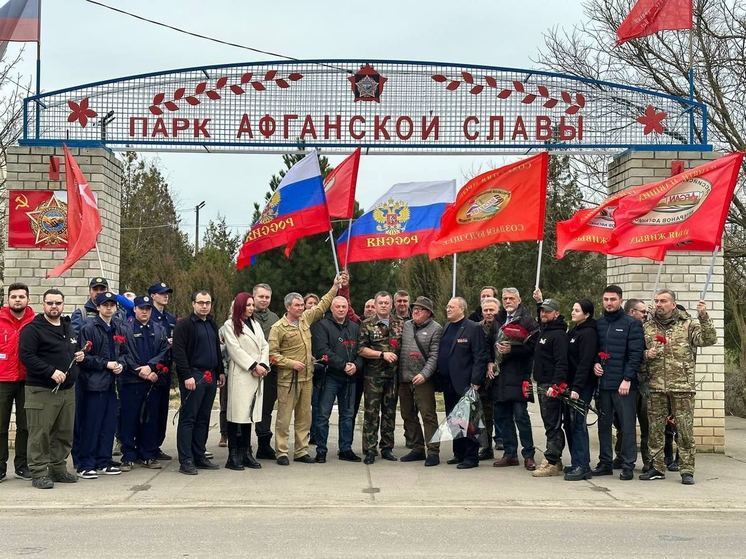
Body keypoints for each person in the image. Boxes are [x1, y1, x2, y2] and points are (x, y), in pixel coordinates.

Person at [640, 290, 716, 485]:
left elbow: (708, 340)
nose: (659, 304)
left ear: (673, 304)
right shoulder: (647, 326)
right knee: (655, 429)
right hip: (656, 385)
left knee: (684, 430)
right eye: (656, 301)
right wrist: (646, 355)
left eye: (663, 301)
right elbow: (637, 354)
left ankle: (687, 469)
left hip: (682, 385)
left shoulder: (688, 324)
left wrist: (704, 316)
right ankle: (657, 467)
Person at [268, 274, 342, 465]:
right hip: (287, 380)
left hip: (306, 378)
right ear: (288, 307)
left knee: (304, 417)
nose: (302, 308)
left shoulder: (305, 320)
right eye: (297, 306)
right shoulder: (278, 328)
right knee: (284, 419)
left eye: (302, 305)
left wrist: (335, 287)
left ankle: (301, 451)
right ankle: (282, 452)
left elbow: (322, 305)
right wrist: (291, 363)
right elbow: (271, 355)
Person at [19, 289, 84, 489]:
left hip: (67, 390)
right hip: (41, 390)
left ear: (63, 304)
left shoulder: (69, 328)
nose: (54, 306)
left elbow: (71, 350)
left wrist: (79, 355)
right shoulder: (33, 329)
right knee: (40, 434)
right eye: (50, 303)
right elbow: (26, 356)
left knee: (64, 432)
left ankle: (58, 469)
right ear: (43, 304)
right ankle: (39, 472)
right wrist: (50, 371)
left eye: (57, 303)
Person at [593, 285, 644, 481]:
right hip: (603, 385)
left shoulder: (632, 324)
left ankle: (627, 464)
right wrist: (595, 364)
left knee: (627, 426)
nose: (609, 303)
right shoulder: (599, 324)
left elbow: (635, 354)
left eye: (613, 299)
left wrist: (627, 379)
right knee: (603, 425)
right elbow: (594, 350)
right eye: (606, 299)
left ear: (620, 301)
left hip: (624, 386)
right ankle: (605, 462)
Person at [172, 290, 226, 475]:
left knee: (203, 419)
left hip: (210, 376)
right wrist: (187, 375)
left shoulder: (211, 323)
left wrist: (220, 371)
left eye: (208, 302)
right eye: (201, 302)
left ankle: (199, 455)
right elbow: (178, 353)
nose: (204, 306)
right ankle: (186, 460)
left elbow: (217, 350)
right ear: (193, 303)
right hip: (193, 376)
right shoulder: (184, 325)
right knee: (189, 418)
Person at [76, 291, 127, 479]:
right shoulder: (88, 328)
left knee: (108, 424)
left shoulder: (118, 327)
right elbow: (83, 358)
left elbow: (124, 352)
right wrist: (105, 363)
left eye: (112, 305)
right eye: (105, 304)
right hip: (93, 384)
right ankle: (86, 463)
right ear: (97, 307)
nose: (109, 308)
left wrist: (121, 364)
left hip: (112, 384)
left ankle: (103, 461)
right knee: (91, 424)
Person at [119, 295, 170, 471]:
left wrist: (151, 367)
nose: (145, 311)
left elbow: (165, 351)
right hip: (131, 381)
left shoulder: (159, 329)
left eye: (148, 308)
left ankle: (147, 454)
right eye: (141, 308)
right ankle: (128, 456)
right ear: (134, 309)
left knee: (150, 419)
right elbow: (122, 353)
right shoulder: (124, 328)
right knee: (129, 419)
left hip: (152, 381)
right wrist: (138, 370)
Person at [310, 294, 363, 463]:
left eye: (344, 307)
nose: (341, 309)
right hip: (330, 377)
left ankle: (346, 449)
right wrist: (343, 365)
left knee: (347, 415)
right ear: (331, 308)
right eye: (338, 307)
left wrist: (356, 365)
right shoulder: (321, 326)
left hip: (350, 379)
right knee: (323, 415)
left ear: (348, 309)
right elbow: (322, 350)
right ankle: (321, 450)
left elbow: (362, 350)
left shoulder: (355, 327)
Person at [489, 288, 538, 471]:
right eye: (505, 298)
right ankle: (510, 454)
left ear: (519, 300)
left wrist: (513, 350)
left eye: (511, 298)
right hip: (500, 376)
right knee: (502, 417)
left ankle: (528, 455)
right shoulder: (498, 319)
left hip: (519, 375)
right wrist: (490, 362)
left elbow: (533, 347)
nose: (508, 301)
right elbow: (489, 342)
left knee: (521, 417)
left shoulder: (527, 320)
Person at [220, 293, 269, 471]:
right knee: (237, 416)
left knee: (249, 416)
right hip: (241, 374)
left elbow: (264, 345)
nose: (251, 308)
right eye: (248, 305)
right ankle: (233, 455)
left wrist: (263, 364)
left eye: (252, 305)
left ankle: (246, 452)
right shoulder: (230, 325)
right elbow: (234, 350)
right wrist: (254, 365)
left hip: (257, 374)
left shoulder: (255, 324)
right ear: (240, 306)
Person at [437, 297, 487, 469]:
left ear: (462, 309)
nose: (447, 309)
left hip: (466, 383)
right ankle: (458, 453)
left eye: (451, 306)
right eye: (447, 306)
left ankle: (471, 457)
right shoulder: (447, 327)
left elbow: (480, 356)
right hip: (448, 383)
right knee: (454, 419)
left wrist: (476, 381)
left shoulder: (473, 328)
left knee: (469, 421)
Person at [358, 291, 404, 465]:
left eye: (387, 303)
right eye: (381, 303)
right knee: (371, 413)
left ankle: (387, 448)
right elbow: (361, 350)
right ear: (375, 305)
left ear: (391, 305)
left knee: (389, 413)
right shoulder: (367, 324)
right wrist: (381, 354)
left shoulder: (400, 323)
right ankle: (370, 449)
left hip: (392, 376)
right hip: (373, 376)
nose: (384, 305)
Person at [70, 277, 110, 469]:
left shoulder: (113, 315)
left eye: (103, 289)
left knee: (104, 423)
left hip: (108, 378)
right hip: (86, 377)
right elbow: (77, 342)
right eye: (96, 289)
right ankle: (81, 460)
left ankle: (101, 458)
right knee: (84, 421)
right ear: (90, 291)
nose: (99, 292)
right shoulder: (82, 314)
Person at [397, 296, 442, 466]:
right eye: (414, 308)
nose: (415, 311)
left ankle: (433, 451)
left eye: (420, 309)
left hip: (424, 379)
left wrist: (424, 374)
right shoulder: (406, 326)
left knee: (428, 415)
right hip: (404, 378)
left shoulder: (436, 329)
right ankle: (417, 448)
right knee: (407, 414)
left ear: (429, 313)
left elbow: (434, 355)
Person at [0, 283, 35, 482]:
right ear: (8, 299)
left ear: (28, 299)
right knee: (0, 425)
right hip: (2, 379)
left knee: (25, 425)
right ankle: (0, 467)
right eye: (14, 296)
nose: (18, 300)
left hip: (27, 380)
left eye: (22, 296)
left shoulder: (35, 322)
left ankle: (22, 466)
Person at [531, 298, 569, 477]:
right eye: (542, 311)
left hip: (551, 386)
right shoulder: (545, 331)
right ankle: (556, 460)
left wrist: (556, 385)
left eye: (547, 311)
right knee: (548, 422)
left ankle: (552, 461)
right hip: (541, 383)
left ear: (556, 313)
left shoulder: (559, 335)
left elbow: (562, 362)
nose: (543, 314)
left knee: (553, 424)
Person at [563, 299, 598, 481]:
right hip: (570, 384)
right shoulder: (575, 330)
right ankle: (577, 460)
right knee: (569, 423)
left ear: (587, 314)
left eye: (577, 310)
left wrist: (577, 387)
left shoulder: (588, 333)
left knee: (578, 423)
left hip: (581, 386)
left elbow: (585, 363)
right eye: (573, 308)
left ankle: (583, 465)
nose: (573, 312)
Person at [622, 298, 652, 472]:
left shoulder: (649, 329)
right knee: (623, 424)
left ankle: (648, 460)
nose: (646, 315)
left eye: (647, 312)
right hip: (626, 382)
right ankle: (622, 455)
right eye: (643, 312)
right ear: (632, 312)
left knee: (647, 423)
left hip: (646, 382)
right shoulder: (622, 327)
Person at [147, 281, 177, 462]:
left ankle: (156, 445)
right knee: (149, 411)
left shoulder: (171, 318)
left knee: (161, 411)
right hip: (150, 369)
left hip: (166, 368)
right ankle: (146, 447)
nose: (165, 296)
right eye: (161, 293)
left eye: (167, 293)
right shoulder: (147, 315)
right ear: (153, 296)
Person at [252, 283, 280, 460]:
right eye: (260, 296)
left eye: (267, 297)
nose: (264, 300)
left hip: (269, 371)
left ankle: (263, 444)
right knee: (245, 408)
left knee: (266, 408)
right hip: (248, 370)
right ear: (253, 296)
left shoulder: (274, 318)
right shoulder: (245, 315)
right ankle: (242, 445)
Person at [477, 296, 501, 460]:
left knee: (500, 414)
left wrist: (494, 363)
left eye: (492, 310)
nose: (488, 313)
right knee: (483, 414)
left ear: (498, 311)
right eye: (486, 310)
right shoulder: (476, 327)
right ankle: (485, 447)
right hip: (483, 378)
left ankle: (505, 445)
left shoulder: (504, 326)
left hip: (500, 377)